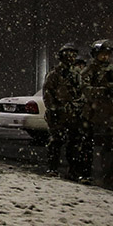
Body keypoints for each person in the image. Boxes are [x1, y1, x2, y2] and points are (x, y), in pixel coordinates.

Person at [80, 39, 113, 190]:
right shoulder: (89, 71)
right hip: (92, 114)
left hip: (110, 116)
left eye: (108, 55)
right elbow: (85, 89)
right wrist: (103, 90)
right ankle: (85, 174)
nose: (105, 58)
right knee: (87, 146)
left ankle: (109, 175)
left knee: (110, 147)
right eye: (102, 55)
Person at [42, 43, 83, 178]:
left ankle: (73, 170)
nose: (70, 57)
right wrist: (53, 108)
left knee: (74, 142)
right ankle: (52, 168)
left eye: (73, 55)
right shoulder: (54, 73)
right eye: (68, 54)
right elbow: (47, 92)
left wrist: (78, 106)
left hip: (72, 113)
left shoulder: (76, 73)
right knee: (56, 141)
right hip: (58, 113)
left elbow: (81, 91)